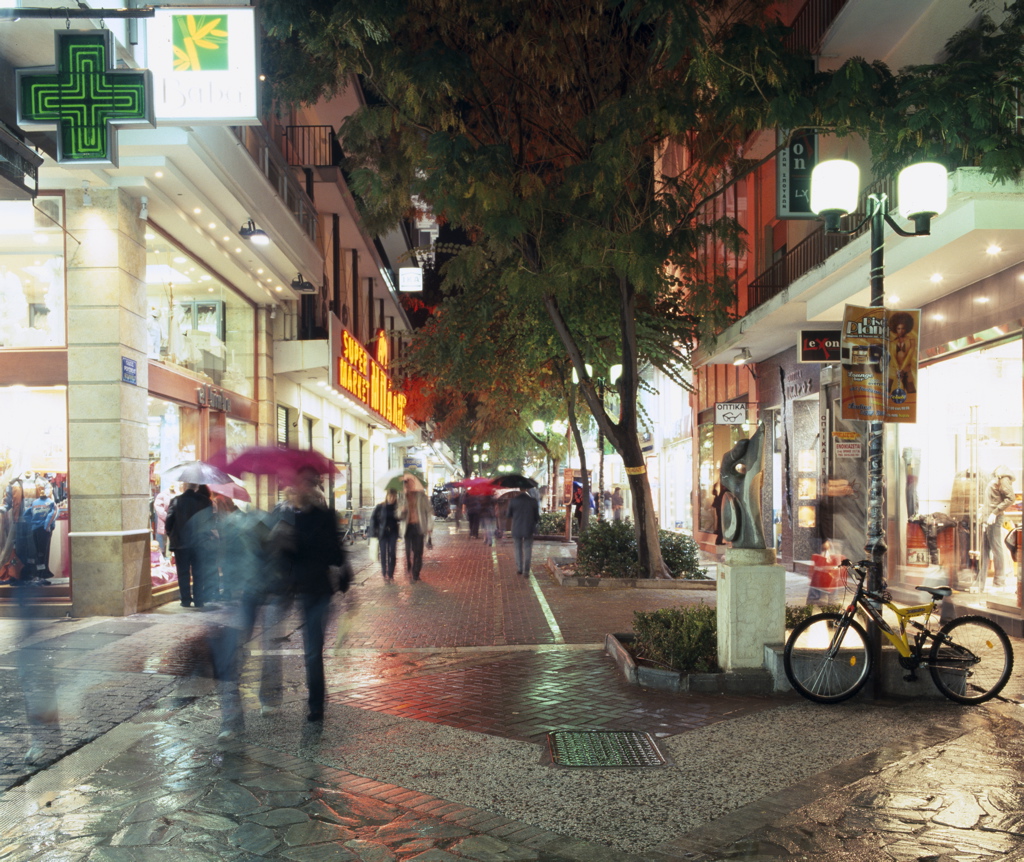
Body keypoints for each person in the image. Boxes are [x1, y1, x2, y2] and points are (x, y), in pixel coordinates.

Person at [271, 467, 351, 722]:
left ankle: (316, 704)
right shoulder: (285, 518)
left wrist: (304, 541)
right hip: (300, 590)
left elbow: (335, 553)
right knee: (308, 649)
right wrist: (282, 543)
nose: (303, 488)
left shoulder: (325, 516)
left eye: (307, 484)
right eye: (300, 484)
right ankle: (313, 701)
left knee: (313, 650)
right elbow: (281, 558)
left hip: (320, 590)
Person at [165, 482, 213, 608]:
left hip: (181, 543)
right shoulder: (205, 501)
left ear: (185, 486)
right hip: (200, 543)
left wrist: (172, 535)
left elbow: (169, 521)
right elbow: (210, 521)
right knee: (199, 572)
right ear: (197, 487)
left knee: (183, 572)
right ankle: (199, 600)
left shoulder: (176, 500)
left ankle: (185, 600)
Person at [976, 466, 1016, 593]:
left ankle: (999, 582)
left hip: (994, 518)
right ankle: (980, 582)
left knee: (996, 549)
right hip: (988, 517)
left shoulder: (1003, 478)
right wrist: (984, 510)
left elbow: (1010, 498)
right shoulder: (996, 477)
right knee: (984, 550)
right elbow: (994, 499)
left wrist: (995, 512)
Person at [400, 478, 434, 580]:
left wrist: (429, 526)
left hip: (418, 526)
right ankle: (409, 565)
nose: (408, 487)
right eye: (406, 485)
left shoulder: (421, 497)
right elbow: (397, 515)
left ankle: (416, 573)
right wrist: (401, 511)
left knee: (418, 551)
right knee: (407, 551)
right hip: (407, 527)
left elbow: (429, 511)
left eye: (410, 485)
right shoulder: (402, 498)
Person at [507, 488, 540, 576]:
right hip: (529, 528)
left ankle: (519, 568)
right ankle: (526, 570)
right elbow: (537, 517)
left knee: (517, 548)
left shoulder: (513, 501)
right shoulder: (533, 501)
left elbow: (508, 515)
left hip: (516, 528)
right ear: (527, 489)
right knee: (527, 549)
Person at [369, 489, 400, 581]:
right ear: (387, 496)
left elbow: (401, 519)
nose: (392, 498)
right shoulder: (380, 506)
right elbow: (373, 518)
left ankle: (391, 573)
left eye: (394, 497)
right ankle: (384, 571)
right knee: (383, 552)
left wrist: (401, 512)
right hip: (383, 532)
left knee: (392, 552)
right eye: (390, 496)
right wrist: (374, 532)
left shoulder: (397, 507)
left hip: (393, 532)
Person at [888, 311, 917, 396]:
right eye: (898, 328)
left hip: (906, 369)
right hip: (894, 369)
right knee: (886, 389)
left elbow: (910, 355)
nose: (901, 331)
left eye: (903, 328)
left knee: (911, 391)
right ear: (895, 328)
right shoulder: (892, 342)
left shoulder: (911, 340)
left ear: (907, 328)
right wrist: (898, 369)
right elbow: (892, 356)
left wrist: (902, 369)